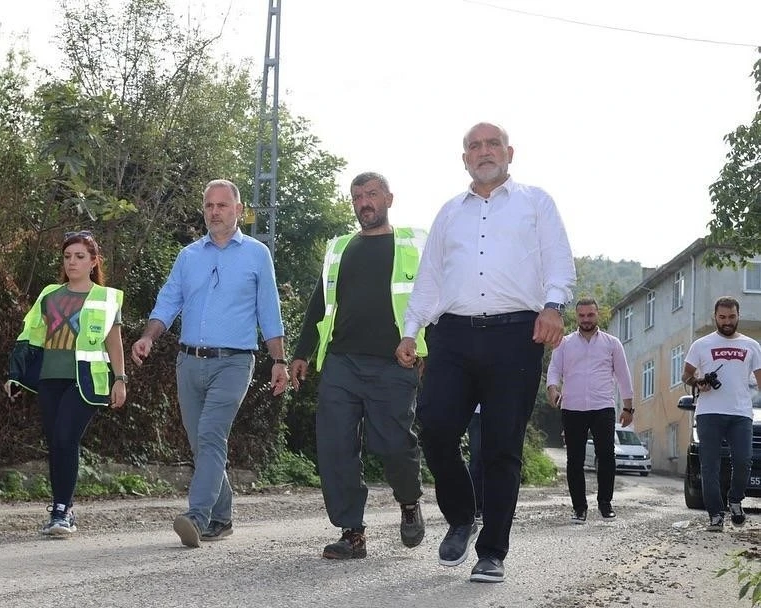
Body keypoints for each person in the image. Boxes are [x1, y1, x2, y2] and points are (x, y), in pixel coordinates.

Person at [394, 122, 575, 583]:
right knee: (435, 428)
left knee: (500, 446)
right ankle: (461, 515)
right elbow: (430, 277)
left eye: (492, 143)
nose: (484, 151)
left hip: (517, 334)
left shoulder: (536, 202)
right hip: (452, 334)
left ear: (509, 152)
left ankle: (492, 550)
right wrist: (411, 330)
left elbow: (558, 259)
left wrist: (553, 305)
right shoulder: (450, 213)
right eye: (474, 146)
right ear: (465, 159)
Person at [130, 179, 288, 548]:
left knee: (211, 436)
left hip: (234, 362)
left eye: (222, 205)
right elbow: (169, 301)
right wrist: (148, 337)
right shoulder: (189, 256)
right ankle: (222, 516)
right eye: (209, 206)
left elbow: (269, 309)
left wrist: (278, 359)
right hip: (189, 361)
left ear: (238, 210)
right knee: (201, 444)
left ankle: (196, 517)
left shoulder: (256, 254)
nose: (214, 212)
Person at [288, 171, 427, 560]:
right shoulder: (340, 249)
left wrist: (432, 350)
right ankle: (352, 533)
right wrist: (302, 352)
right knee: (335, 448)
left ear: (389, 198)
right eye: (357, 197)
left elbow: (436, 298)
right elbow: (320, 303)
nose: (364, 202)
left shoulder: (413, 245)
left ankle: (409, 501)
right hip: (342, 362)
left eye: (371, 194)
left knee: (394, 444)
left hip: (394, 364)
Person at [6, 230, 128, 536]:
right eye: (67, 256)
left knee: (64, 437)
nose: (72, 262)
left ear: (93, 262)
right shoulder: (49, 295)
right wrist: (15, 374)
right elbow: (30, 337)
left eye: (79, 256)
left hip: (86, 381)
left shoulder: (106, 297)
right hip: (49, 379)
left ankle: (63, 510)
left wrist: (120, 379)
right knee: (55, 443)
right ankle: (60, 509)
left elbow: (114, 342)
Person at [546, 297, 634, 523]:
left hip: (602, 406)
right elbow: (554, 370)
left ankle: (605, 504)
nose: (586, 319)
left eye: (590, 315)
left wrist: (628, 407)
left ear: (597, 315)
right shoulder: (563, 343)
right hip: (572, 407)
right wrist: (553, 389)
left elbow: (624, 376)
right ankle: (579, 508)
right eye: (582, 315)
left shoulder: (612, 343)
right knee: (574, 459)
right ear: (577, 317)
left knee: (606, 456)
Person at [682, 296, 761, 531]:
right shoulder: (701, 345)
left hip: (741, 413)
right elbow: (685, 376)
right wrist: (697, 382)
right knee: (709, 466)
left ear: (738, 316)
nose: (727, 322)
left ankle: (735, 500)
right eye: (722, 317)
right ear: (715, 317)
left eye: (732, 317)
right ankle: (715, 515)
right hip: (709, 413)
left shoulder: (752, 345)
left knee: (744, 460)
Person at [467, 405, 483, 523]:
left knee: (499, 459)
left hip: (501, 410)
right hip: (476, 412)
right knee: (476, 458)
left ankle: (500, 505)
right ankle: (475, 507)